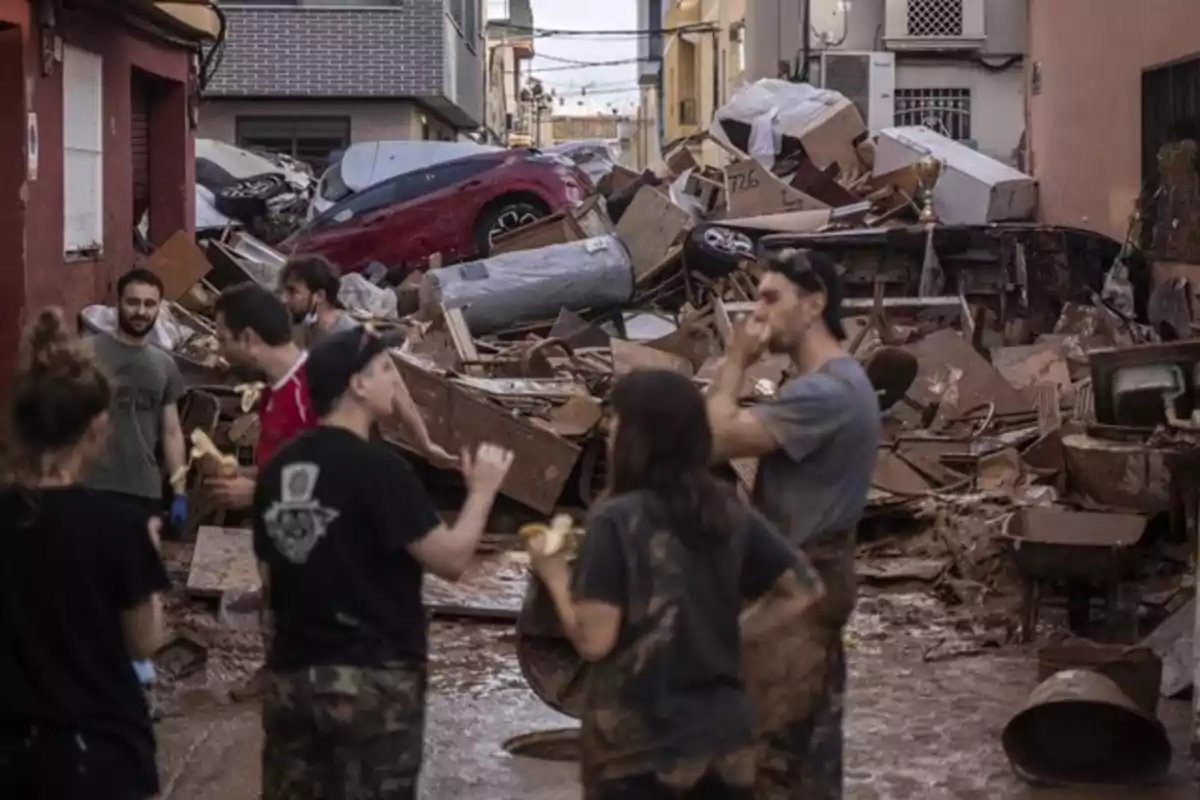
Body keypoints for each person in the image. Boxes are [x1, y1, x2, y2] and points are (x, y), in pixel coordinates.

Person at [529, 369, 825, 800]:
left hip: (637, 750)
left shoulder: (615, 520)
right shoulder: (726, 508)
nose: (609, 433)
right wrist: (732, 635)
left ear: (642, 438)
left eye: (618, 422)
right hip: (721, 743)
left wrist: (554, 574)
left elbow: (594, 642)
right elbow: (803, 591)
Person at [252, 326, 515, 799]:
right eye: (386, 370)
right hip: (374, 681)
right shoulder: (382, 470)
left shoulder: (277, 470)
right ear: (357, 384)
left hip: (294, 679)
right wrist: (482, 492)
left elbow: (270, 578)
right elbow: (451, 560)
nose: (395, 381)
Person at [705, 248, 881, 799]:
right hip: (809, 578)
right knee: (809, 746)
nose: (756, 312)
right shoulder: (834, 381)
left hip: (799, 587)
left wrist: (735, 359)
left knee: (771, 758)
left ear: (815, 304)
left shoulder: (826, 392)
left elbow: (712, 436)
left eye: (770, 297)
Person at [0, 309, 169, 799]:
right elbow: (144, 642)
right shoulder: (119, 526)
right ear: (96, 428)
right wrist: (148, 554)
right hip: (99, 754)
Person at [83, 267, 188, 530]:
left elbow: (172, 432)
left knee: (136, 569)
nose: (141, 311)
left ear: (159, 308)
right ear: (118, 304)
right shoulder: (85, 354)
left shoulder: (165, 364)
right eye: (133, 302)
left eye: (149, 304)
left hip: (143, 491)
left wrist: (179, 492)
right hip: (89, 487)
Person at [280, 254, 360, 348]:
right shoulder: (304, 328)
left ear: (319, 296)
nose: (284, 298)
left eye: (292, 291)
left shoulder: (347, 337)